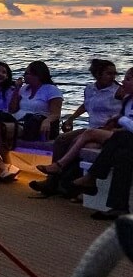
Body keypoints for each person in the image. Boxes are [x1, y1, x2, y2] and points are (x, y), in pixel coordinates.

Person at [31, 59, 121, 195]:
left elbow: (124, 112)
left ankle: (68, 184)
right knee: (61, 140)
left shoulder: (118, 91)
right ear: (98, 74)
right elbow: (85, 105)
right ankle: (52, 181)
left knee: (76, 142)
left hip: (107, 130)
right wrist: (71, 118)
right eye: (109, 73)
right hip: (92, 128)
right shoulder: (90, 89)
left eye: (114, 73)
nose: (113, 76)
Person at [71, 72, 133, 219]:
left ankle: (91, 177)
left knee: (121, 138)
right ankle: (119, 207)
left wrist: (120, 119)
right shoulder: (128, 100)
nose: (123, 82)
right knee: (123, 156)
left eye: (128, 79)